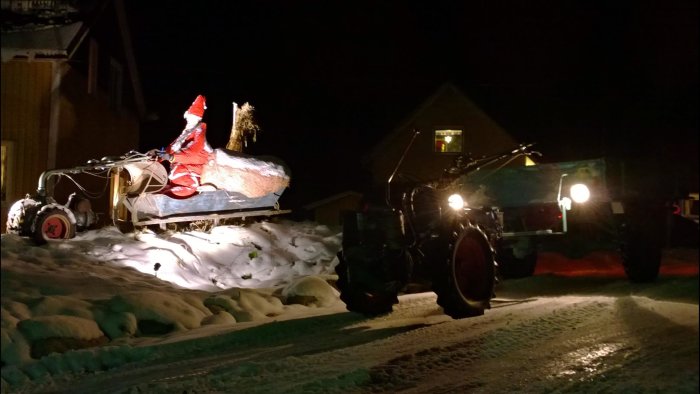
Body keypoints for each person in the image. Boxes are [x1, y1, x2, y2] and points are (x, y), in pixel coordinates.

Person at [153, 94, 211, 198]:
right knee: (156, 192)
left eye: (191, 118)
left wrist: (172, 157)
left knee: (166, 195)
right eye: (188, 118)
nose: (189, 121)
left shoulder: (199, 131)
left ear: (196, 118)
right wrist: (158, 156)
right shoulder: (186, 133)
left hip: (189, 181)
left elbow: (194, 154)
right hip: (177, 178)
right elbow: (170, 149)